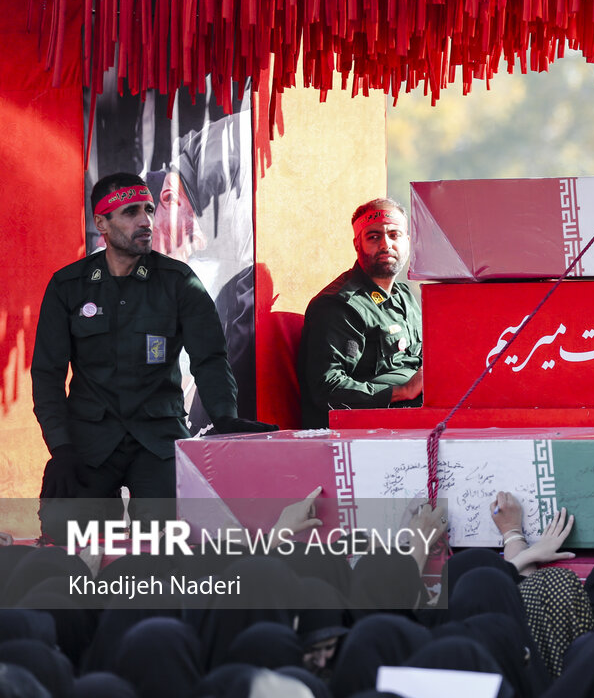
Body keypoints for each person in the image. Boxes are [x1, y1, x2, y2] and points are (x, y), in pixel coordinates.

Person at [31, 173, 272, 544]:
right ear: (102, 224)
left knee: (172, 540)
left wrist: (225, 415)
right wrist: (61, 447)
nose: (146, 220)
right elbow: (47, 375)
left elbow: (209, 357)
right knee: (66, 536)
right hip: (89, 440)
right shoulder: (68, 286)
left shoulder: (179, 282)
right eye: (130, 212)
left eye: (148, 209)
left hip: (158, 437)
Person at [297, 199, 423, 428]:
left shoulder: (406, 296)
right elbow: (328, 388)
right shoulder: (339, 305)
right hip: (360, 431)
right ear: (357, 244)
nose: (386, 244)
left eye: (394, 235)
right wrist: (402, 391)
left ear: (407, 241)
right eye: (373, 237)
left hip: (414, 418)